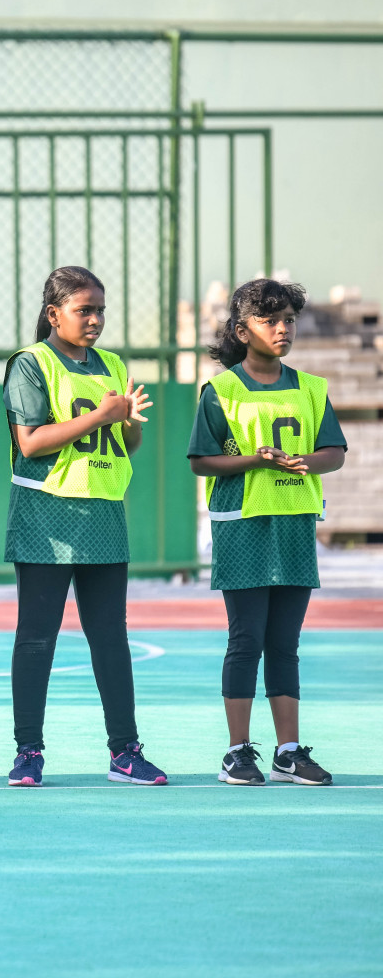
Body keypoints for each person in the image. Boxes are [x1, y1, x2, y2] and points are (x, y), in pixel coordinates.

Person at [3, 266, 167, 787]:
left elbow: (127, 445)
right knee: (36, 639)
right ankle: (28, 752)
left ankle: (125, 750)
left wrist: (125, 424)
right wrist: (100, 417)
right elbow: (29, 441)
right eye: (84, 310)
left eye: (100, 310)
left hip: (103, 515)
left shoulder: (113, 365)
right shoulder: (31, 364)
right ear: (54, 314)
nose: (95, 319)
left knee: (110, 639)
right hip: (46, 516)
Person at [188, 278, 346, 786]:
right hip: (244, 527)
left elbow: (335, 451)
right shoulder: (222, 390)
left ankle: (289, 751)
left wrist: (311, 461)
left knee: (285, 642)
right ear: (242, 330)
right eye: (270, 321)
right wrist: (251, 459)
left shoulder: (311, 388)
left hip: (295, 524)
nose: (283, 330)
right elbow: (201, 462)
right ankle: (237, 752)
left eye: (288, 320)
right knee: (246, 639)